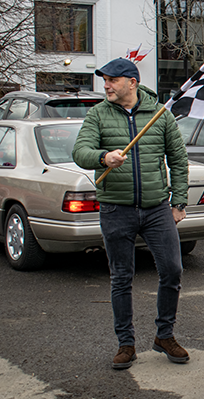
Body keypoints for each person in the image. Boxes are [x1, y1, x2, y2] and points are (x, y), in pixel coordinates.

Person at [72, 58, 190, 370]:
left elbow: (178, 160)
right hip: (116, 208)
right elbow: (80, 152)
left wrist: (179, 202)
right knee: (121, 277)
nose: (106, 86)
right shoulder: (98, 114)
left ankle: (165, 335)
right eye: (105, 80)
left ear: (131, 83)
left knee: (172, 270)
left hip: (156, 209)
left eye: (112, 80)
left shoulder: (160, 114)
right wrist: (103, 157)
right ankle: (126, 344)